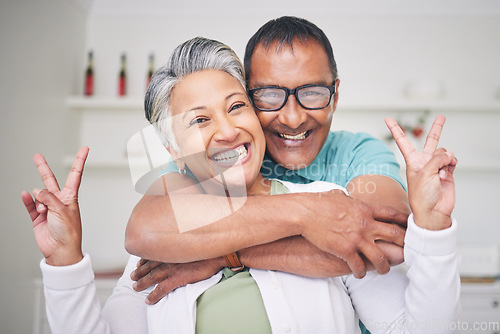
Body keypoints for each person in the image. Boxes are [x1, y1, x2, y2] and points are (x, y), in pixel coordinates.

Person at [23, 37, 460, 333]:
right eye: (199, 120)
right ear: (174, 152)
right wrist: (65, 262)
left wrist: (435, 226)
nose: (228, 131)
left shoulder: (329, 206)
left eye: (236, 107)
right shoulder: (162, 244)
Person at [126, 17, 410, 306]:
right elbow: (147, 228)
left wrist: (224, 255)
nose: (293, 118)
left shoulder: (359, 152)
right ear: (250, 98)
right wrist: (311, 214)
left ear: (335, 96)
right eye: (270, 96)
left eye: (312, 93)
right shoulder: (220, 162)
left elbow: (384, 244)